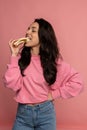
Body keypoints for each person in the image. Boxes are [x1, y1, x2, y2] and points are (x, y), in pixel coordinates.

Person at [4, 18, 83, 130]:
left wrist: (54, 94)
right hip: (23, 115)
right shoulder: (20, 60)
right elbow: (12, 85)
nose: (27, 32)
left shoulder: (53, 62)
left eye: (33, 30)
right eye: (28, 29)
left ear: (43, 36)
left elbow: (78, 82)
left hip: (46, 114)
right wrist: (13, 56)